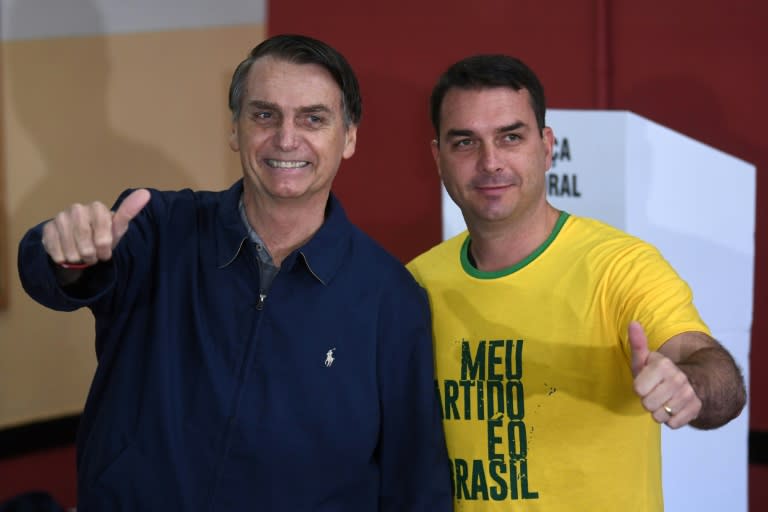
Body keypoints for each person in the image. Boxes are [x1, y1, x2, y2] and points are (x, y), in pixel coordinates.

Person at [17, 34, 452, 511]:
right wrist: (67, 255)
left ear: (348, 137)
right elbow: (53, 277)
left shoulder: (391, 299)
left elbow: (415, 487)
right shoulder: (158, 229)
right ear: (234, 130)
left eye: (313, 118)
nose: (286, 138)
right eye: (264, 114)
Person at [406, 54, 746, 511]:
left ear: (546, 147)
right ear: (438, 157)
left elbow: (719, 380)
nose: (490, 162)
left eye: (510, 137)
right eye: (465, 142)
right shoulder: (416, 282)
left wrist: (690, 385)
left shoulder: (622, 266)